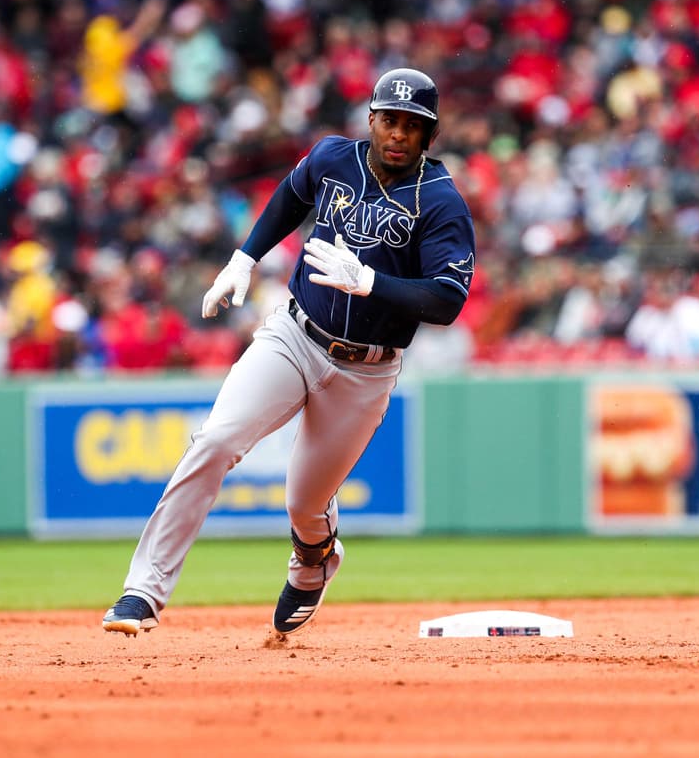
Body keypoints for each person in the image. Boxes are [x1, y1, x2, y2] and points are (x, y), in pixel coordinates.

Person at [102, 68, 476, 637]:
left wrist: (371, 282)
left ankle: (315, 559)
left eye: (412, 125)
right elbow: (290, 197)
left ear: (430, 134)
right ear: (371, 120)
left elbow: (448, 300)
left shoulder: (441, 201)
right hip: (294, 334)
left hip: (365, 370)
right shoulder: (333, 157)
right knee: (217, 440)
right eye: (389, 120)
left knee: (305, 504)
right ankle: (142, 592)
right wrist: (245, 257)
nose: (398, 133)